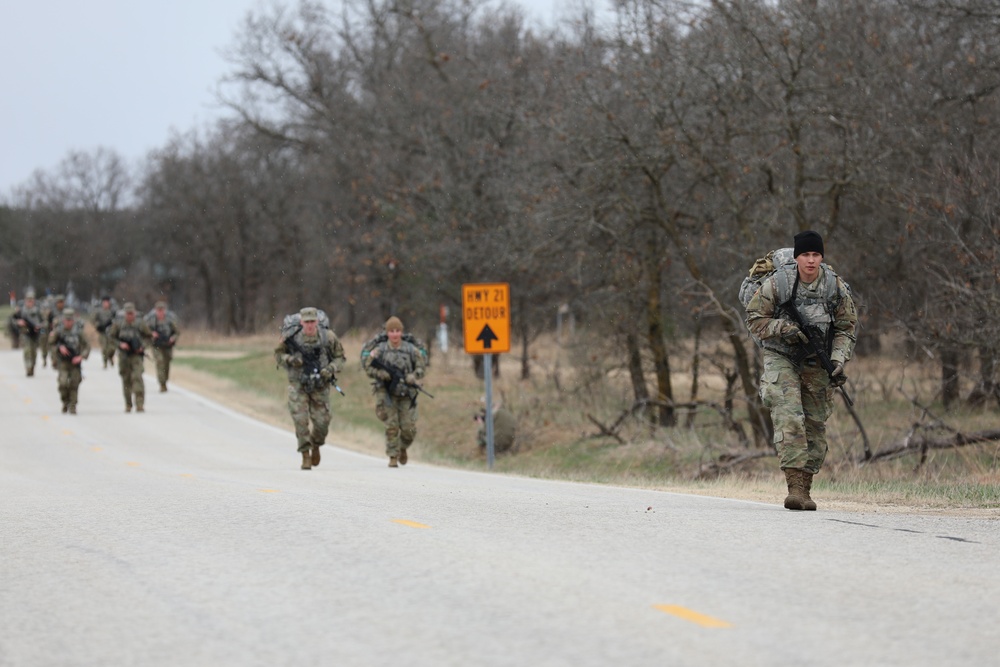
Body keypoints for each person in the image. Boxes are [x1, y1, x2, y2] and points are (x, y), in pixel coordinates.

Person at [745, 230, 858, 511]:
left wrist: (838, 360)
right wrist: (783, 329)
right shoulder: (779, 283)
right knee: (788, 412)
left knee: (815, 424)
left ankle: (806, 490)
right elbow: (754, 318)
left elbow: (846, 328)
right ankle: (794, 488)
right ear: (797, 257)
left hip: (816, 359)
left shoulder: (834, 287)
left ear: (822, 257)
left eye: (816, 254)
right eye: (805, 255)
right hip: (781, 353)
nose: (810, 260)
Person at [274, 307, 346, 470]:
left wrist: (330, 369)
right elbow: (278, 355)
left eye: (312, 321)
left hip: (320, 386)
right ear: (301, 322)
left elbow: (340, 357)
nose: (310, 325)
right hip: (298, 385)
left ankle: (316, 445)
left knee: (322, 423)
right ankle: (305, 454)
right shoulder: (291, 337)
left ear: (317, 322)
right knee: (300, 421)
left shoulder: (328, 337)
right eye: (306, 322)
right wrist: (291, 359)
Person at [362, 316, 427, 467]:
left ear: (401, 332)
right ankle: (392, 456)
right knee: (391, 425)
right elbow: (368, 366)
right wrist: (381, 374)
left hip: (406, 393)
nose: (395, 334)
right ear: (387, 333)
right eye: (391, 331)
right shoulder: (380, 350)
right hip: (387, 392)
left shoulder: (411, 350)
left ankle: (402, 447)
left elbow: (421, 367)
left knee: (408, 429)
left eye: (397, 331)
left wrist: (414, 376)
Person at [109, 303, 152, 413]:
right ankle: (128, 404)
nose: (130, 316)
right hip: (124, 356)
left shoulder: (140, 324)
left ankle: (139, 404)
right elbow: (111, 338)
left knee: (137, 378)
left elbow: (149, 337)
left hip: (137, 356)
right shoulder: (118, 324)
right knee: (126, 380)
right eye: (128, 314)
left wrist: (142, 346)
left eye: (132, 314)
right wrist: (120, 344)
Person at [49, 308, 90, 414]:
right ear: (63, 320)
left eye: (70, 320)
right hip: (63, 362)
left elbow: (87, 346)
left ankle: (73, 405)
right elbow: (51, 344)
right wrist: (59, 348)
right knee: (62, 384)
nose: (68, 322)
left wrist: (81, 357)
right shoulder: (59, 331)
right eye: (66, 320)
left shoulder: (78, 332)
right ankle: (65, 402)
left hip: (75, 362)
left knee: (74, 384)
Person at [145, 300, 180, 392]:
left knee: (166, 363)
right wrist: (152, 333)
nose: (160, 312)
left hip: (167, 345)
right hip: (156, 345)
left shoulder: (170, 319)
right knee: (160, 362)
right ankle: (162, 383)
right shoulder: (151, 319)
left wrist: (173, 338)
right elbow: (144, 330)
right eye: (158, 310)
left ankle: (165, 380)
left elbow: (177, 332)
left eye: (162, 310)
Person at [11, 290, 44, 376]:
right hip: (25, 333)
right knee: (27, 350)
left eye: (31, 300)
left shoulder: (38, 311)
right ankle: (28, 367)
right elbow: (12, 320)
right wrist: (18, 322)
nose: (30, 302)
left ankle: (32, 366)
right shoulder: (21, 311)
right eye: (28, 300)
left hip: (35, 334)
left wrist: (39, 326)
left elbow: (44, 321)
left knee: (33, 352)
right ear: (25, 300)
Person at [92, 295, 117, 368]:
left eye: (107, 302)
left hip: (111, 333)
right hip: (102, 332)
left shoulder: (112, 311)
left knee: (112, 348)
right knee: (104, 348)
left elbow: (117, 320)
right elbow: (93, 319)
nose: (106, 304)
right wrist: (98, 325)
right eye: (104, 302)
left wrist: (112, 324)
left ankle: (110, 356)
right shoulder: (99, 311)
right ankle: (105, 362)